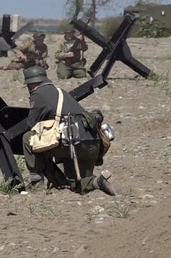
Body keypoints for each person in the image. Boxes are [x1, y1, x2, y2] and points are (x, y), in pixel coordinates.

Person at [21, 66, 116, 196]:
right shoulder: (61, 92)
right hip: (92, 142)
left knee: (28, 138)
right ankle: (98, 182)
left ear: (31, 83)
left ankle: (37, 183)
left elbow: (31, 125)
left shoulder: (38, 95)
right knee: (77, 185)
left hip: (71, 143)